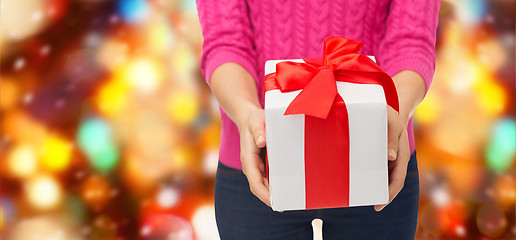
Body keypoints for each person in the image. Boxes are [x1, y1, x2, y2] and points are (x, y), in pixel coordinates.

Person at [196, 0, 440, 239]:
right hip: (258, 162)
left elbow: (412, 40)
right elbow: (225, 41)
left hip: (379, 157)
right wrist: (245, 111)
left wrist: (396, 110)